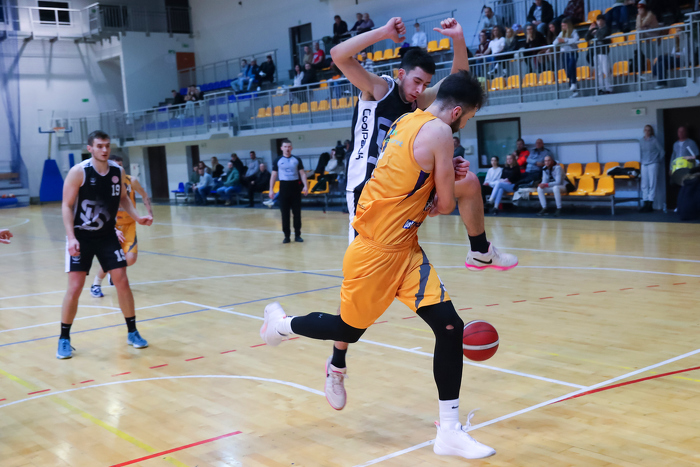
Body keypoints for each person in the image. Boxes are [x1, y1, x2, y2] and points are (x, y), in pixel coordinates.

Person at [259, 70, 497, 461]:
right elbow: (445, 205)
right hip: (375, 252)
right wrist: (448, 178)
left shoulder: (407, 119)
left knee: (450, 327)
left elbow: (417, 180)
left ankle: (449, 432)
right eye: (468, 118)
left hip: (405, 249)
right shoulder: (441, 132)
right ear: (457, 112)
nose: (465, 125)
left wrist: (442, 175)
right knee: (346, 330)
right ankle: (281, 324)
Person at [326, 16, 518, 412]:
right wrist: (383, 33)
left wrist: (459, 40)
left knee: (468, 181)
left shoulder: (421, 107)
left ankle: (480, 249)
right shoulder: (379, 90)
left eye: (424, 85)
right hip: (370, 196)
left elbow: (458, 87)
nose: (419, 91)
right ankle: (337, 362)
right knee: (356, 306)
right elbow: (339, 55)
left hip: (408, 185)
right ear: (401, 75)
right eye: (415, 82)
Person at [58, 130, 153, 360]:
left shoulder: (117, 171)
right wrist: (71, 237)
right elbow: (66, 206)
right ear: (90, 148)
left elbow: (123, 199)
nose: (104, 150)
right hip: (81, 236)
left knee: (122, 280)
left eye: (107, 146)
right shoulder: (79, 172)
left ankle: (132, 332)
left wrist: (137, 217)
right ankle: (64, 338)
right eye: (99, 146)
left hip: (107, 235)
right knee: (75, 287)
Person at [91, 154, 153, 297]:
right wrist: (112, 229)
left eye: (120, 166)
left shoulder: (131, 181)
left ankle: (112, 272)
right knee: (112, 257)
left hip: (129, 224)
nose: (118, 168)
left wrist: (150, 214)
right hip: (112, 225)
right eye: (115, 166)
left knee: (131, 258)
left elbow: (144, 195)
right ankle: (96, 284)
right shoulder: (105, 183)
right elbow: (101, 210)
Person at [270, 139, 308, 243]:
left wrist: (305, 186)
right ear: (281, 148)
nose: (287, 148)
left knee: (297, 213)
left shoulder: (296, 159)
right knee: (285, 214)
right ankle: (286, 236)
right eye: (285, 147)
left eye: (289, 146)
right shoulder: (277, 160)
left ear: (291, 148)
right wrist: (271, 190)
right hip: (283, 188)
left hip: (295, 187)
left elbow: (302, 174)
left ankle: (297, 235)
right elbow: (273, 175)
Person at [639, 125, 664, 212]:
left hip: (653, 163)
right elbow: (640, 152)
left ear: (651, 131)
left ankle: (650, 203)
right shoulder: (641, 141)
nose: (647, 132)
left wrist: (658, 160)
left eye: (649, 130)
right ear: (644, 131)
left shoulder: (654, 140)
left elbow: (662, 151)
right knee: (644, 184)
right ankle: (645, 202)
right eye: (645, 130)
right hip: (644, 163)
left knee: (652, 183)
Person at [585, 15, 612, 95]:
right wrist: (590, 30)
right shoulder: (595, 29)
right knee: (599, 72)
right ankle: (601, 88)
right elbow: (586, 38)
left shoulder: (606, 28)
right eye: (598, 21)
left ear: (604, 21)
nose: (599, 22)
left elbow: (601, 36)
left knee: (606, 70)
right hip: (595, 52)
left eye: (600, 20)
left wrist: (595, 32)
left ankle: (609, 88)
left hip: (603, 52)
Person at [555, 17, 580, 97]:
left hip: (572, 52)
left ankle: (574, 83)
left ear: (568, 25)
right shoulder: (561, 33)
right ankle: (573, 87)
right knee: (567, 70)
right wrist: (559, 41)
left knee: (571, 66)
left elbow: (576, 40)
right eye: (562, 26)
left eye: (564, 26)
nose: (563, 27)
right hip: (564, 54)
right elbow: (555, 42)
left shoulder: (574, 31)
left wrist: (565, 40)